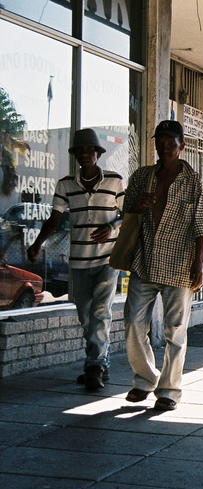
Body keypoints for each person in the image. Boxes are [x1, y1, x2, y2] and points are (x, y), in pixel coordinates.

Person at [122, 120, 203, 411]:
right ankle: (145, 379)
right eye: (159, 142)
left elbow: (202, 226)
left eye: (170, 143)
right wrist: (138, 205)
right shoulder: (142, 176)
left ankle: (169, 390)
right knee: (133, 322)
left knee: (175, 330)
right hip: (145, 260)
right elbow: (126, 212)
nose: (164, 148)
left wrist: (199, 264)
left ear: (181, 145)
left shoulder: (192, 180)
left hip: (179, 264)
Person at [27, 128, 124, 391]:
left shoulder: (115, 181)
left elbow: (127, 214)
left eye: (89, 150)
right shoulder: (65, 184)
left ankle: (94, 367)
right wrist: (36, 244)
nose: (85, 154)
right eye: (80, 151)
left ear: (98, 153)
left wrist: (111, 226)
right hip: (79, 261)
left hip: (107, 259)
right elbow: (54, 219)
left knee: (100, 312)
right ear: (75, 155)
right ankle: (99, 363)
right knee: (85, 316)